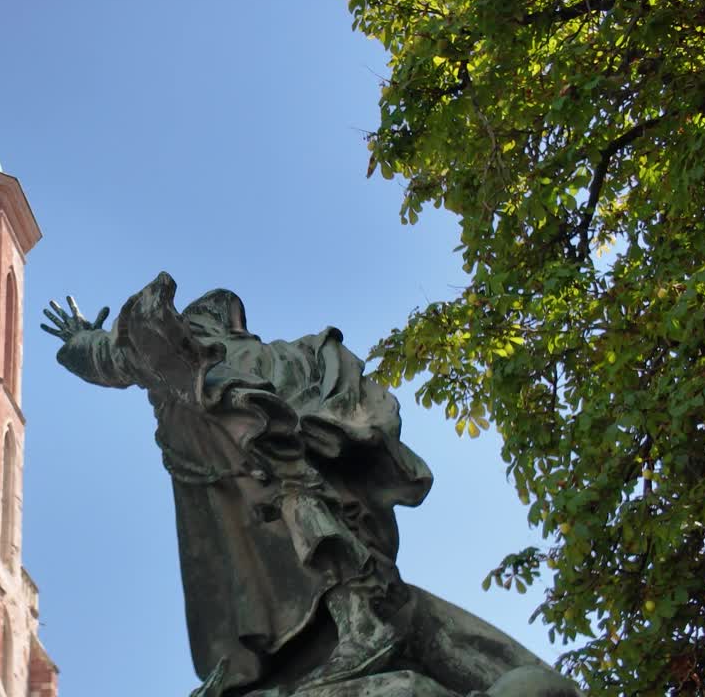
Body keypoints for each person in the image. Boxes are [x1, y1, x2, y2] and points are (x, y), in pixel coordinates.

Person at [43, 273, 434, 696]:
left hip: (260, 492)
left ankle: (359, 624)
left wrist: (79, 338)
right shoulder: (290, 354)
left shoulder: (184, 349)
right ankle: (346, 623)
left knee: (289, 521)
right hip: (276, 493)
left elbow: (114, 355)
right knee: (291, 523)